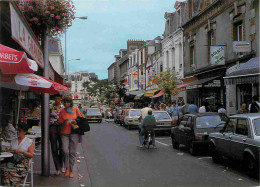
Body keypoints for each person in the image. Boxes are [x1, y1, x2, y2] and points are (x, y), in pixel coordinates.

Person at [58, 97, 84, 178]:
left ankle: (71, 170)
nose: (66, 104)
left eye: (67, 102)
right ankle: (67, 168)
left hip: (74, 133)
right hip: (64, 133)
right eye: (65, 102)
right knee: (65, 151)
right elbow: (59, 122)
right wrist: (64, 121)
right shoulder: (62, 111)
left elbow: (82, 119)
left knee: (72, 152)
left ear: (71, 102)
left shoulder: (76, 110)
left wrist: (75, 121)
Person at [49, 94, 65, 175]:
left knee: (62, 148)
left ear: (61, 99)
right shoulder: (50, 107)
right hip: (53, 127)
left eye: (58, 99)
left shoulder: (64, 108)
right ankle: (57, 168)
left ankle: (61, 165)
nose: (57, 100)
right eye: (56, 99)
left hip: (62, 128)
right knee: (54, 148)